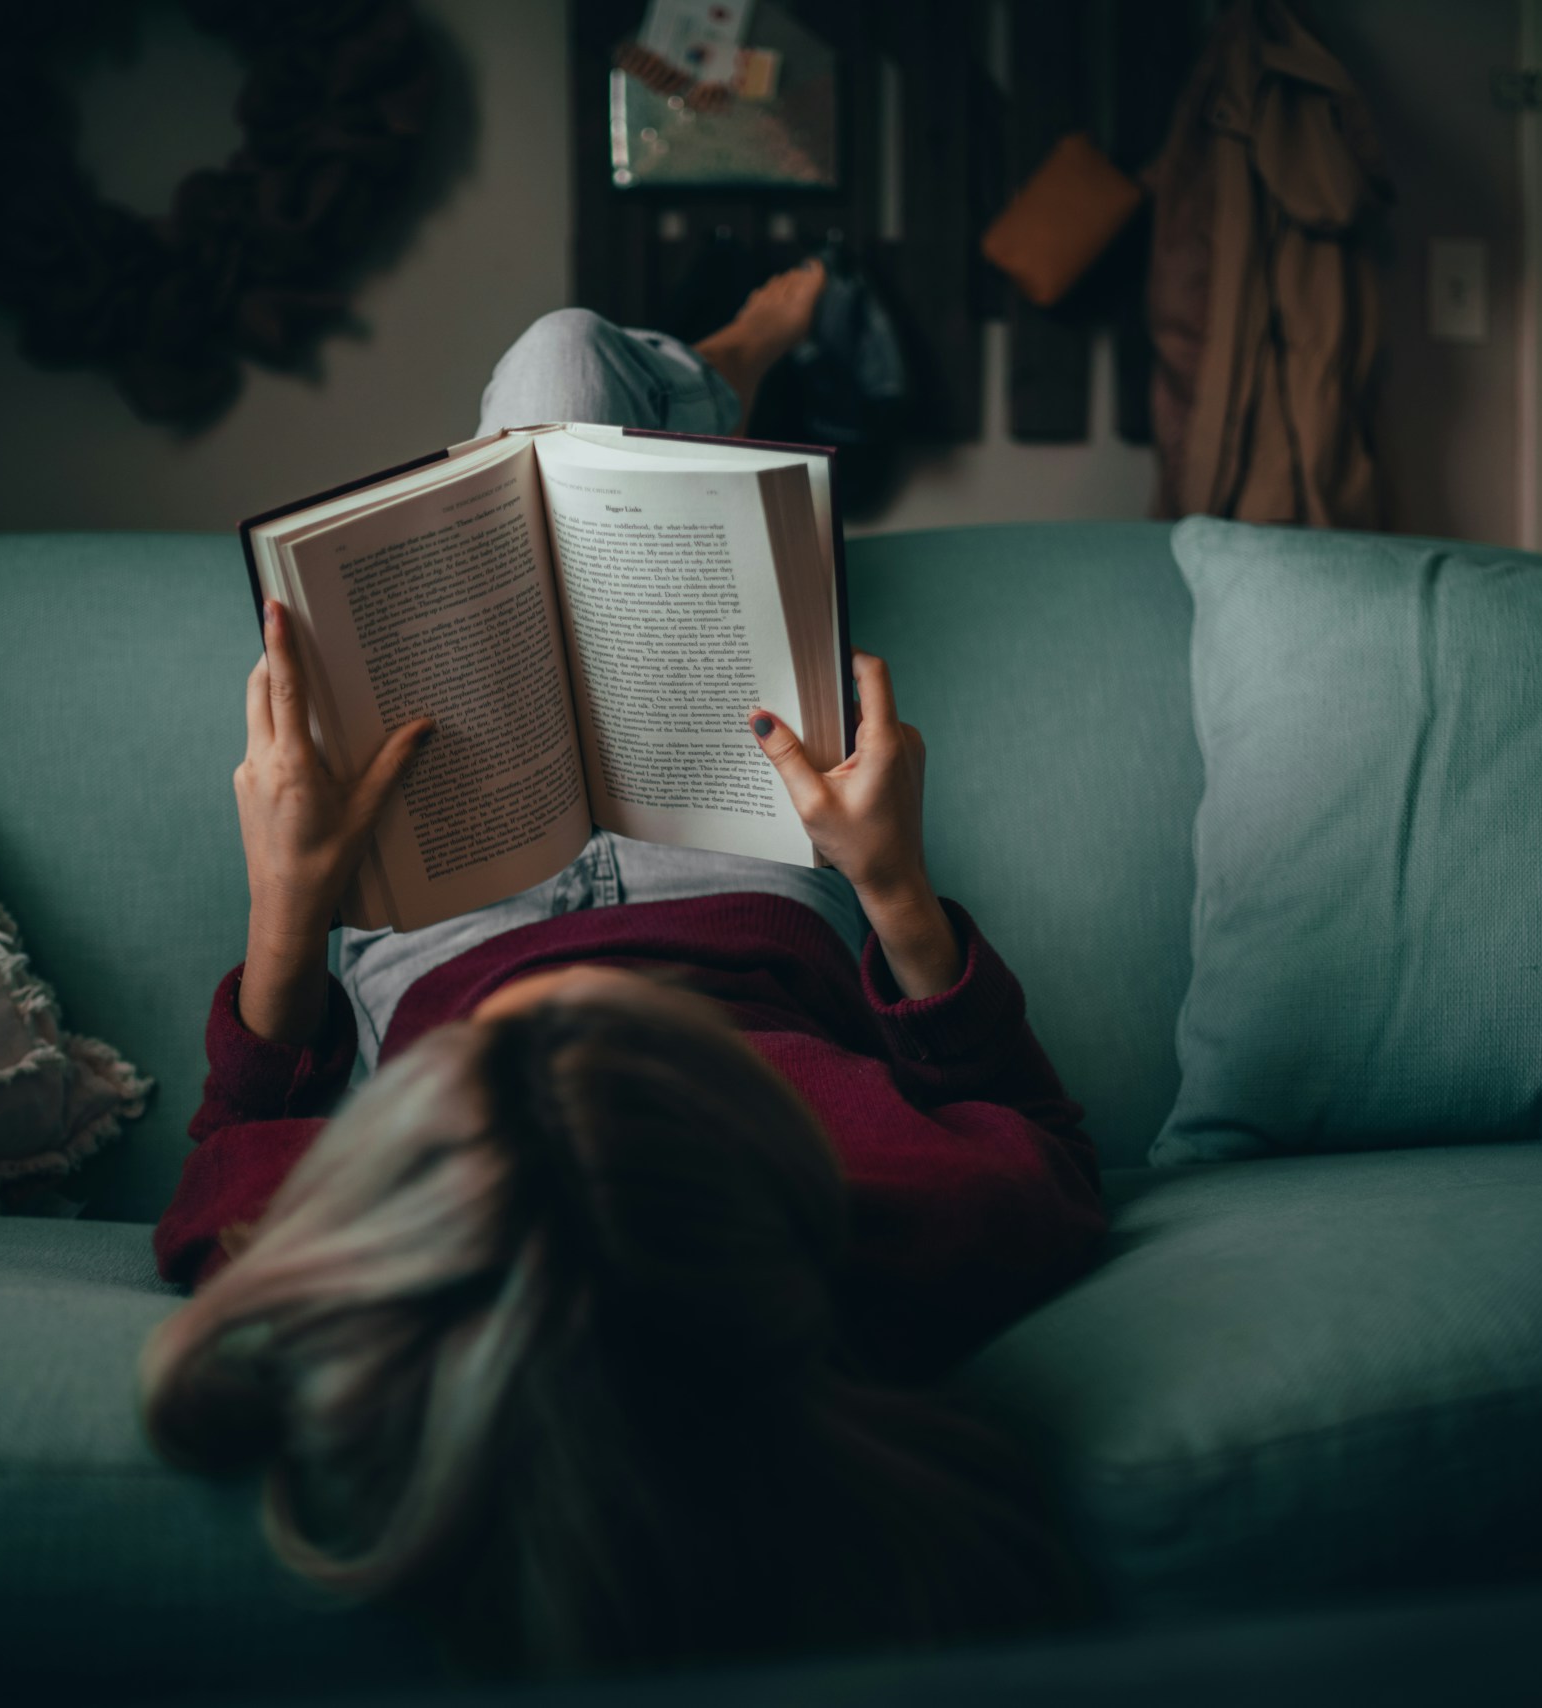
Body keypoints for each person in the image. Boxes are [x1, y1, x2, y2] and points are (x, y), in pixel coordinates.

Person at [138, 266, 1110, 1677]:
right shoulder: (899, 1228)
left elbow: (233, 1143)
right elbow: (1055, 1146)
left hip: (443, 913)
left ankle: (718, 369)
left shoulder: (359, 1274)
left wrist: (286, 902)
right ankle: (734, 364)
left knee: (549, 396)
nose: (571, 1012)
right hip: (727, 874)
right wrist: (889, 881)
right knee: (568, 384)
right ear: (742, 1169)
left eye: (499, 1075)